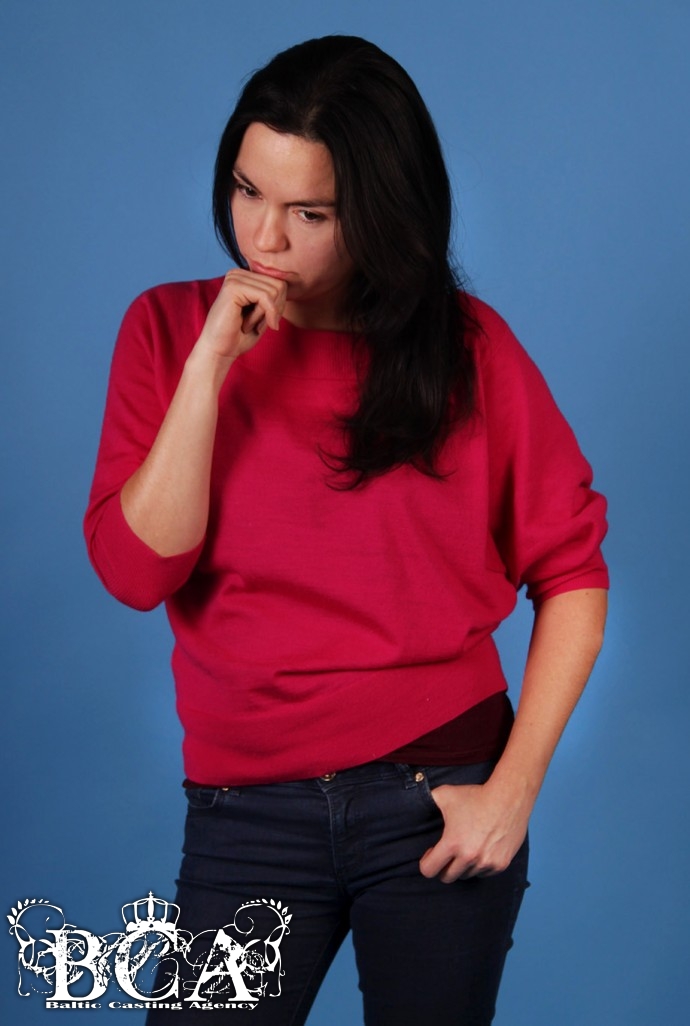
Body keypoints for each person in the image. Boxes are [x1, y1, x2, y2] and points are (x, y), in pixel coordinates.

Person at [84, 34, 608, 1026]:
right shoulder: (167, 329)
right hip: (244, 810)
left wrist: (514, 791)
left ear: (378, 212)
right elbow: (138, 572)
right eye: (248, 191)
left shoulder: (468, 351)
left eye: (310, 213)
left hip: (438, 793)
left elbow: (574, 571)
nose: (264, 238)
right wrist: (209, 369)